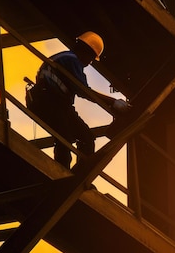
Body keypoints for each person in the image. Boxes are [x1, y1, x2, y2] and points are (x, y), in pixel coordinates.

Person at [26, 31, 131, 169]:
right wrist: (113, 102)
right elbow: (84, 91)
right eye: (91, 58)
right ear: (85, 52)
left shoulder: (63, 58)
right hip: (50, 102)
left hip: (52, 102)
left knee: (84, 137)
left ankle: (75, 173)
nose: (89, 63)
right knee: (68, 137)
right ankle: (66, 173)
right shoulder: (72, 60)